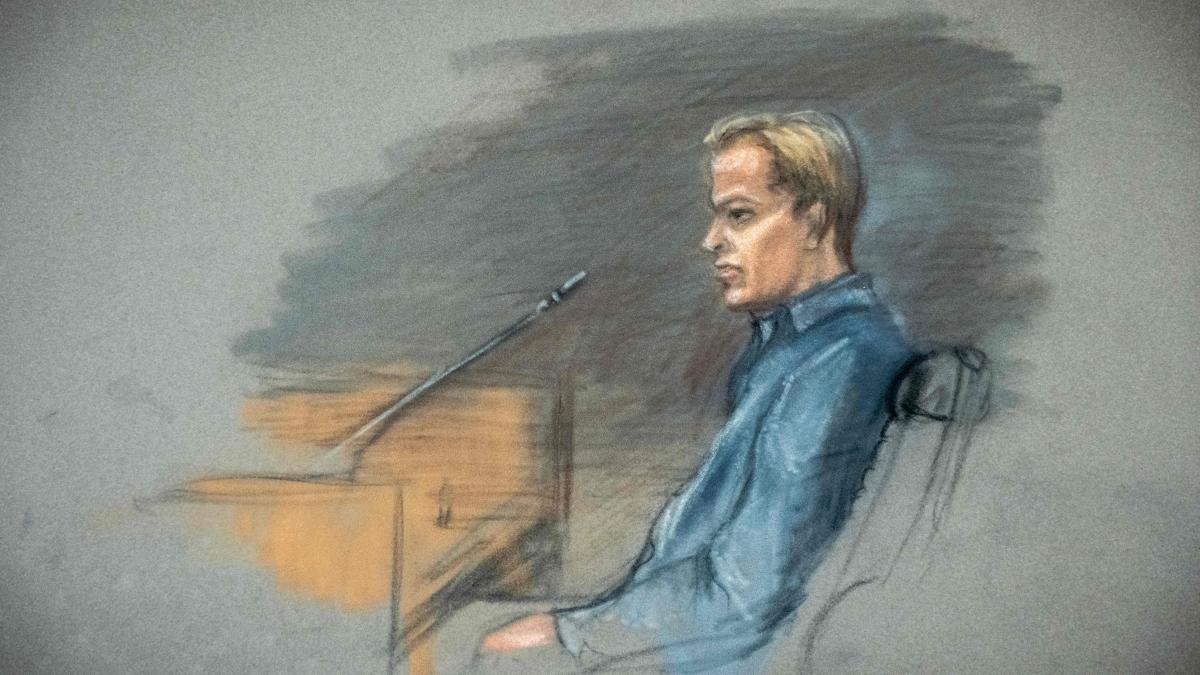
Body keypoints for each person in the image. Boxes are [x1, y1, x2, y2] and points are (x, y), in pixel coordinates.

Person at [479, 111, 914, 672]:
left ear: (813, 223)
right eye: (717, 215)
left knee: (489, 654)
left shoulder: (843, 361)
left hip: (708, 660)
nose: (711, 240)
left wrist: (575, 633)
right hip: (672, 638)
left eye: (740, 215)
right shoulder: (792, 350)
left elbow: (743, 600)